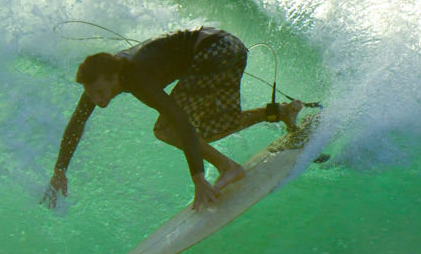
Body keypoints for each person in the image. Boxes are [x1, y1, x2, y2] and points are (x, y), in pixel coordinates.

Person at [43, 29, 303, 214]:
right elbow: (76, 123)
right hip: (230, 46)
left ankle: (228, 167)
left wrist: (198, 178)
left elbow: (179, 120)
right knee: (221, 125)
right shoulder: (103, 76)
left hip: (214, 51)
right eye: (91, 93)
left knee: (166, 130)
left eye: (100, 92)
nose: (96, 100)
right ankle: (280, 112)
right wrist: (60, 170)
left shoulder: (135, 77)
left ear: (113, 78)